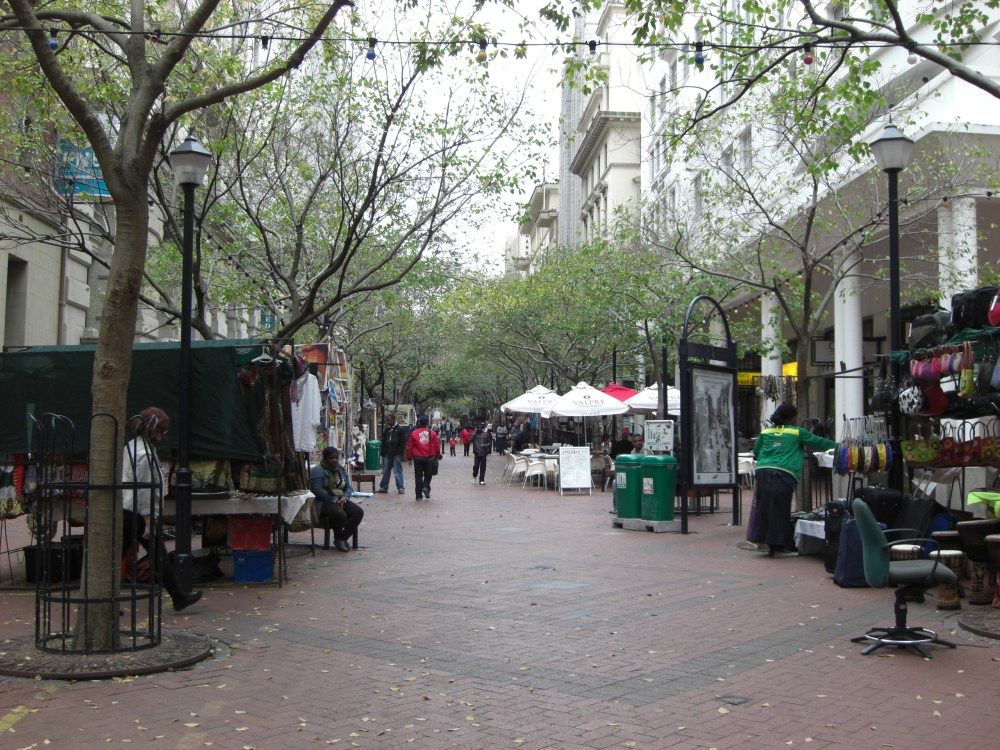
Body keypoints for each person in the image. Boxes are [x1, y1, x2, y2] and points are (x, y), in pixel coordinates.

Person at [121, 406, 202, 612]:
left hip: (129, 510)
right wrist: (149, 520)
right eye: (162, 431)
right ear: (152, 431)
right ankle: (178, 597)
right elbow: (144, 491)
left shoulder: (133, 446)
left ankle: (178, 596)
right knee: (158, 555)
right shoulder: (144, 455)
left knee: (153, 555)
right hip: (138, 513)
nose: (164, 436)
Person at [749, 403, 837, 558]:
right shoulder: (797, 432)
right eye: (796, 416)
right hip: (783, 473)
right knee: (780, 509)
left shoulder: (766, 432)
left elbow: (756, 450)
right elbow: (818, 442)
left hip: (762, 472)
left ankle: (767, 544)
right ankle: (779, 548)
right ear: (791, 417)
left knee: (764, 509)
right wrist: (839, 446)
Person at [309, 447, 364, 552]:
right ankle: (339, 538)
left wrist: (344, 497)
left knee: (358, 512)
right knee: (340, 514)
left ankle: (341, 539)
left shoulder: (340, 470)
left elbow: (348, 487)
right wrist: (333, 499)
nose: (334, 460)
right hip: (323, 501)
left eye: (336, 458)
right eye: (331, 458)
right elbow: (317, 490)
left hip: (341, 499)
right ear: (325, 458)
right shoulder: (318, 470)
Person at [405, 415, 441, 501]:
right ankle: (425, 486)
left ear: (419, 423)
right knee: (428, 475)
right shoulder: (432, 433)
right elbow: (437, 446)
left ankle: (418, 496)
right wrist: (437, 455)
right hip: (429, 458)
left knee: (418, 476)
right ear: (427, 423)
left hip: (417, 458)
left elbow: (409, 447)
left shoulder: (414, 433)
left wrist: (409, 458)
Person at [376, 415, 407, 494]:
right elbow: (383, 441)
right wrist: (383, 451)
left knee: (397, 471)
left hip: (396, 454)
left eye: (389, 420)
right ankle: (384, 487)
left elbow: (403, 442)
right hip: (387, 453)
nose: (388, 422)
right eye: (387, 420)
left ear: (393, 420)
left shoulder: (400, 430)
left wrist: (399, 452)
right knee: (386, 470)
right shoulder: (387, 430)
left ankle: (400, 487)